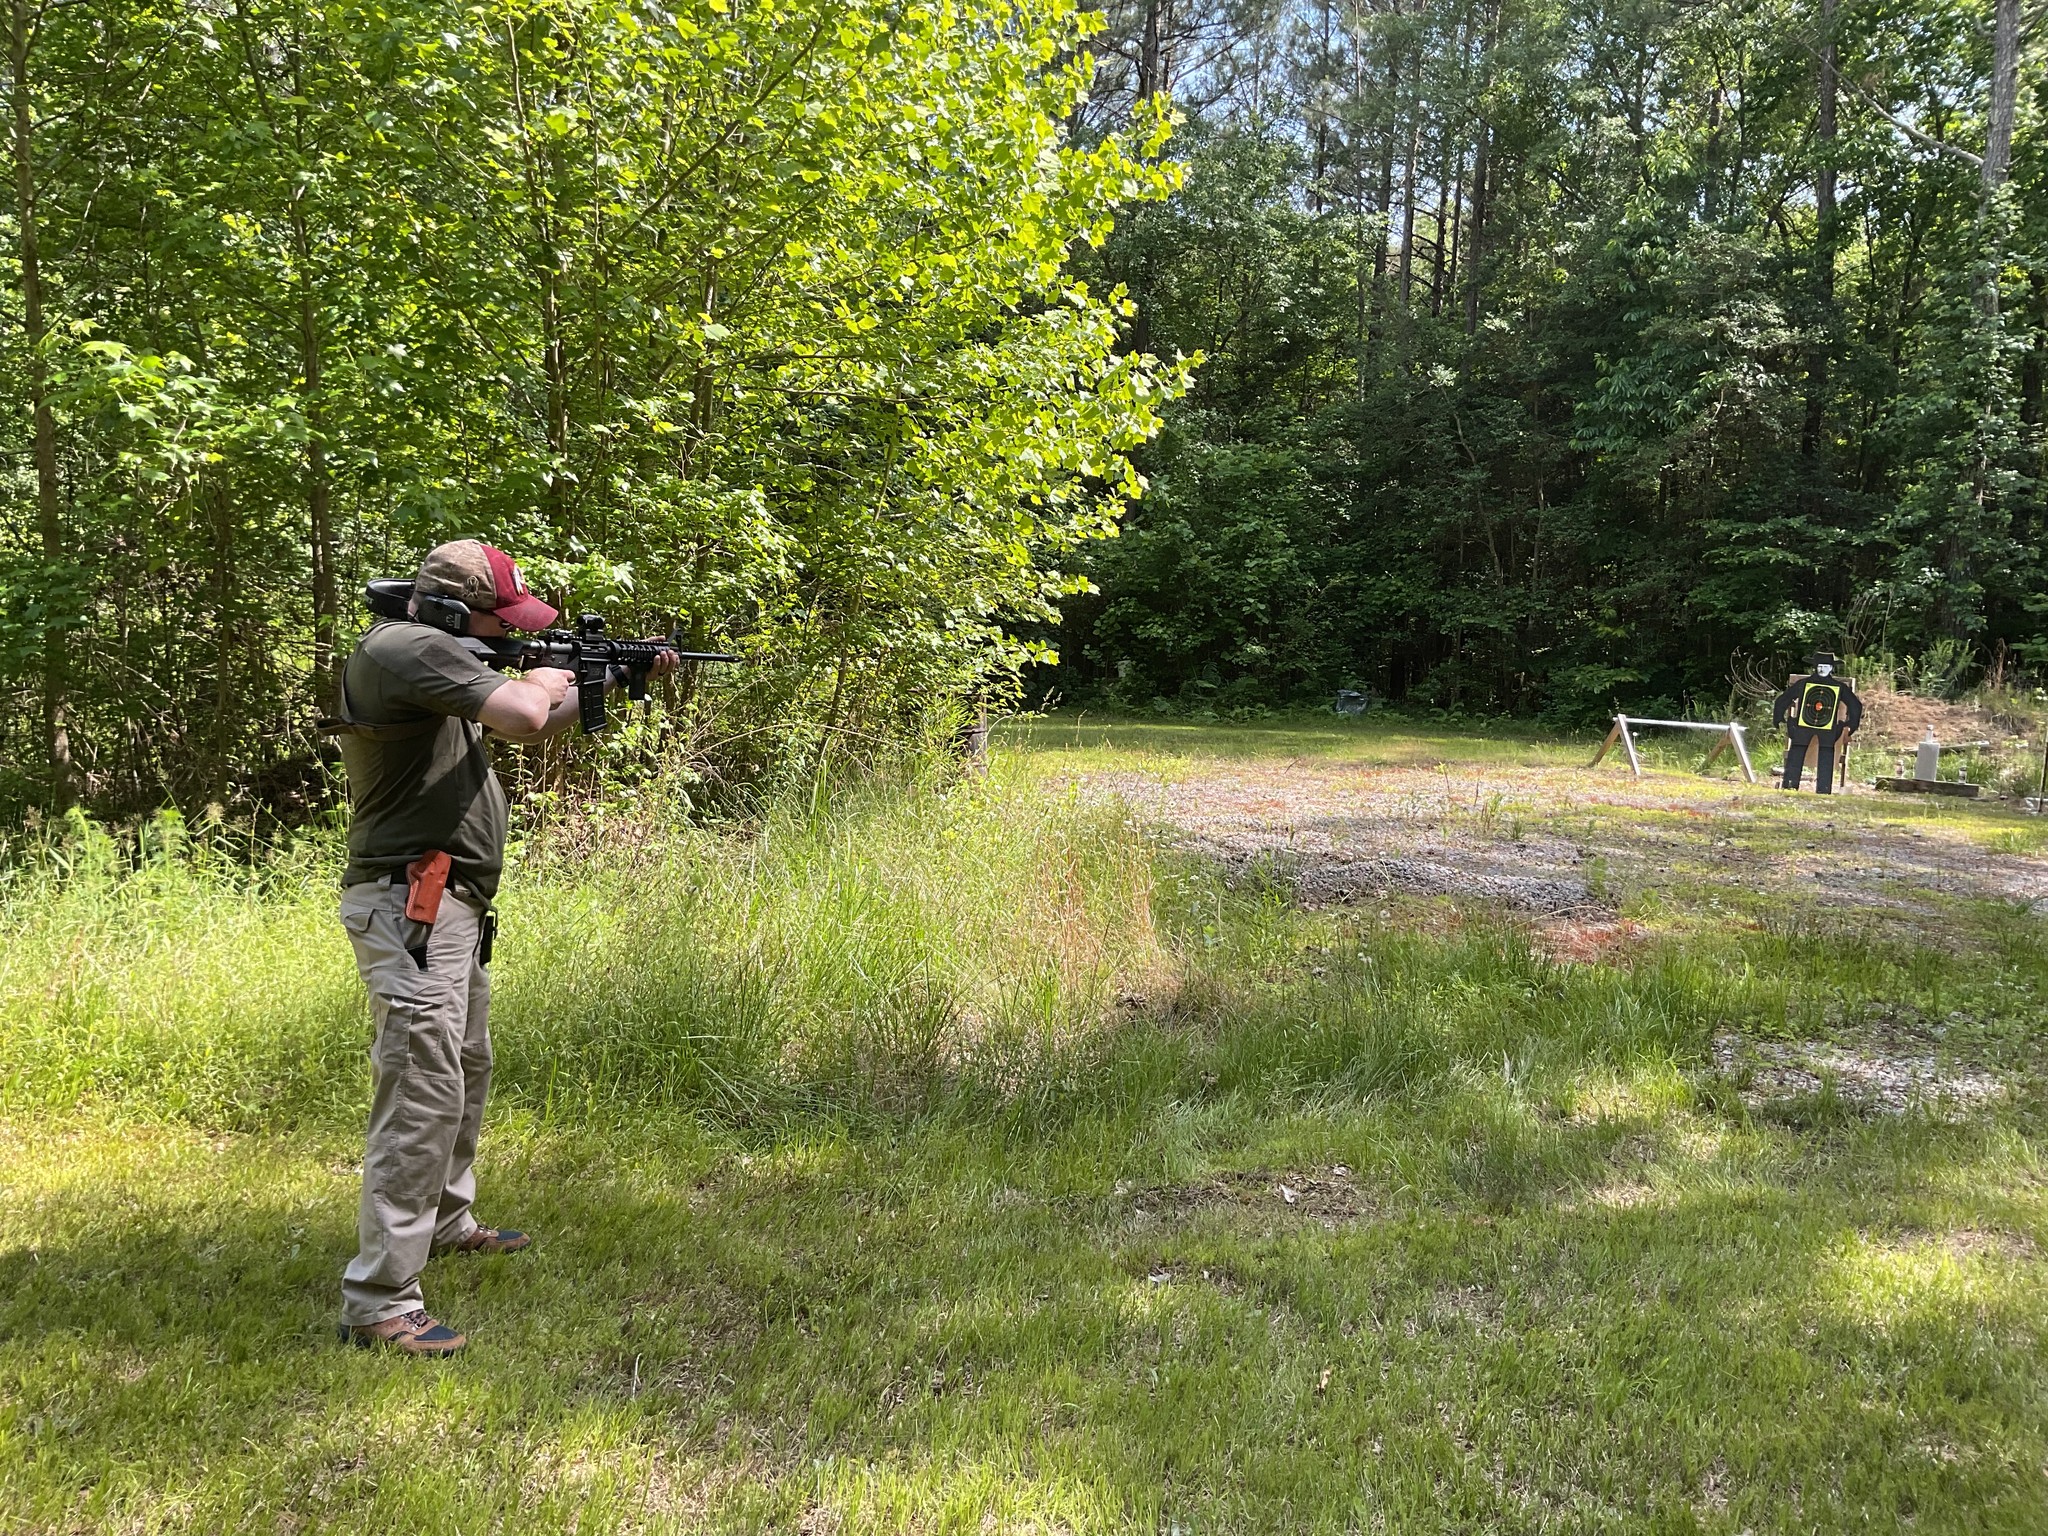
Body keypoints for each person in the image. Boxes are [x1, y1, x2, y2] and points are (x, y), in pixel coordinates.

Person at [328, 539, 676, 1355]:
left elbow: (540, 720)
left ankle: (446, 1223)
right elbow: (524, 713)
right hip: (411, 901)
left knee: (462, 1068)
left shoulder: (441, 660)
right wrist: (548, 676)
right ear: (453, 612)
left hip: (448, 905)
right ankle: (379, 1300)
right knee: (421, 1088)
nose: (512, 636)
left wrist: (612, 678)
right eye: (501, 621)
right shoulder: (404, 646)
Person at [1772, 650, 1862, 794]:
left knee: (1826, 755)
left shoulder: (1838, 687)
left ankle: (1824, 789)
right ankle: (1789, 785)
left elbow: (1855, 705)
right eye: (1819, 666)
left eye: (1825, 666)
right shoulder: (1804, 684)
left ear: (1831, 668)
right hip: (1803, 726)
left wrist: (1850, 724)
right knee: (1796, 752)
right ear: (1815, 667)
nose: (1822, 669)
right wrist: (1778, 717)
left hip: (1827, 728)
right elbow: (1784, 699)